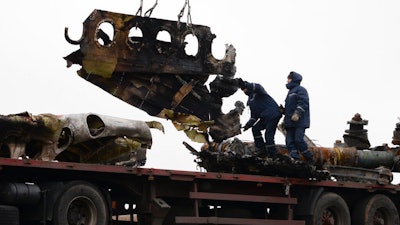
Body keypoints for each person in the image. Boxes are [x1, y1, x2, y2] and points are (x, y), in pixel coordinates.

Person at [239, 80, 282, 157]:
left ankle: (273, 155)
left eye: (244, 88)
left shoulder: (258, 92)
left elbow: (258, 87)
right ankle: (261, 149)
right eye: (242, 89)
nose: (244, 90)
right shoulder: (250, 101)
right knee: (255, 129)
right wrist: (247, 125)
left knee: (268, 135)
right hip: (264, 117)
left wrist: (246, 84)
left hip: (272, 115)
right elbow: (254, 116)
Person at [284, 71, 315, 164]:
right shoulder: (290, 93)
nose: (287, 80)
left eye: (289, 79)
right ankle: (295, 159)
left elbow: (303, 103)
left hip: (299, 121)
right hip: (290, 122)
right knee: (289, 141)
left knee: (298, 139)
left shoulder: (301, 90)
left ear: (293, 79)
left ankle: (309, 157)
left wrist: (297, 113)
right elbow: (289, 107)